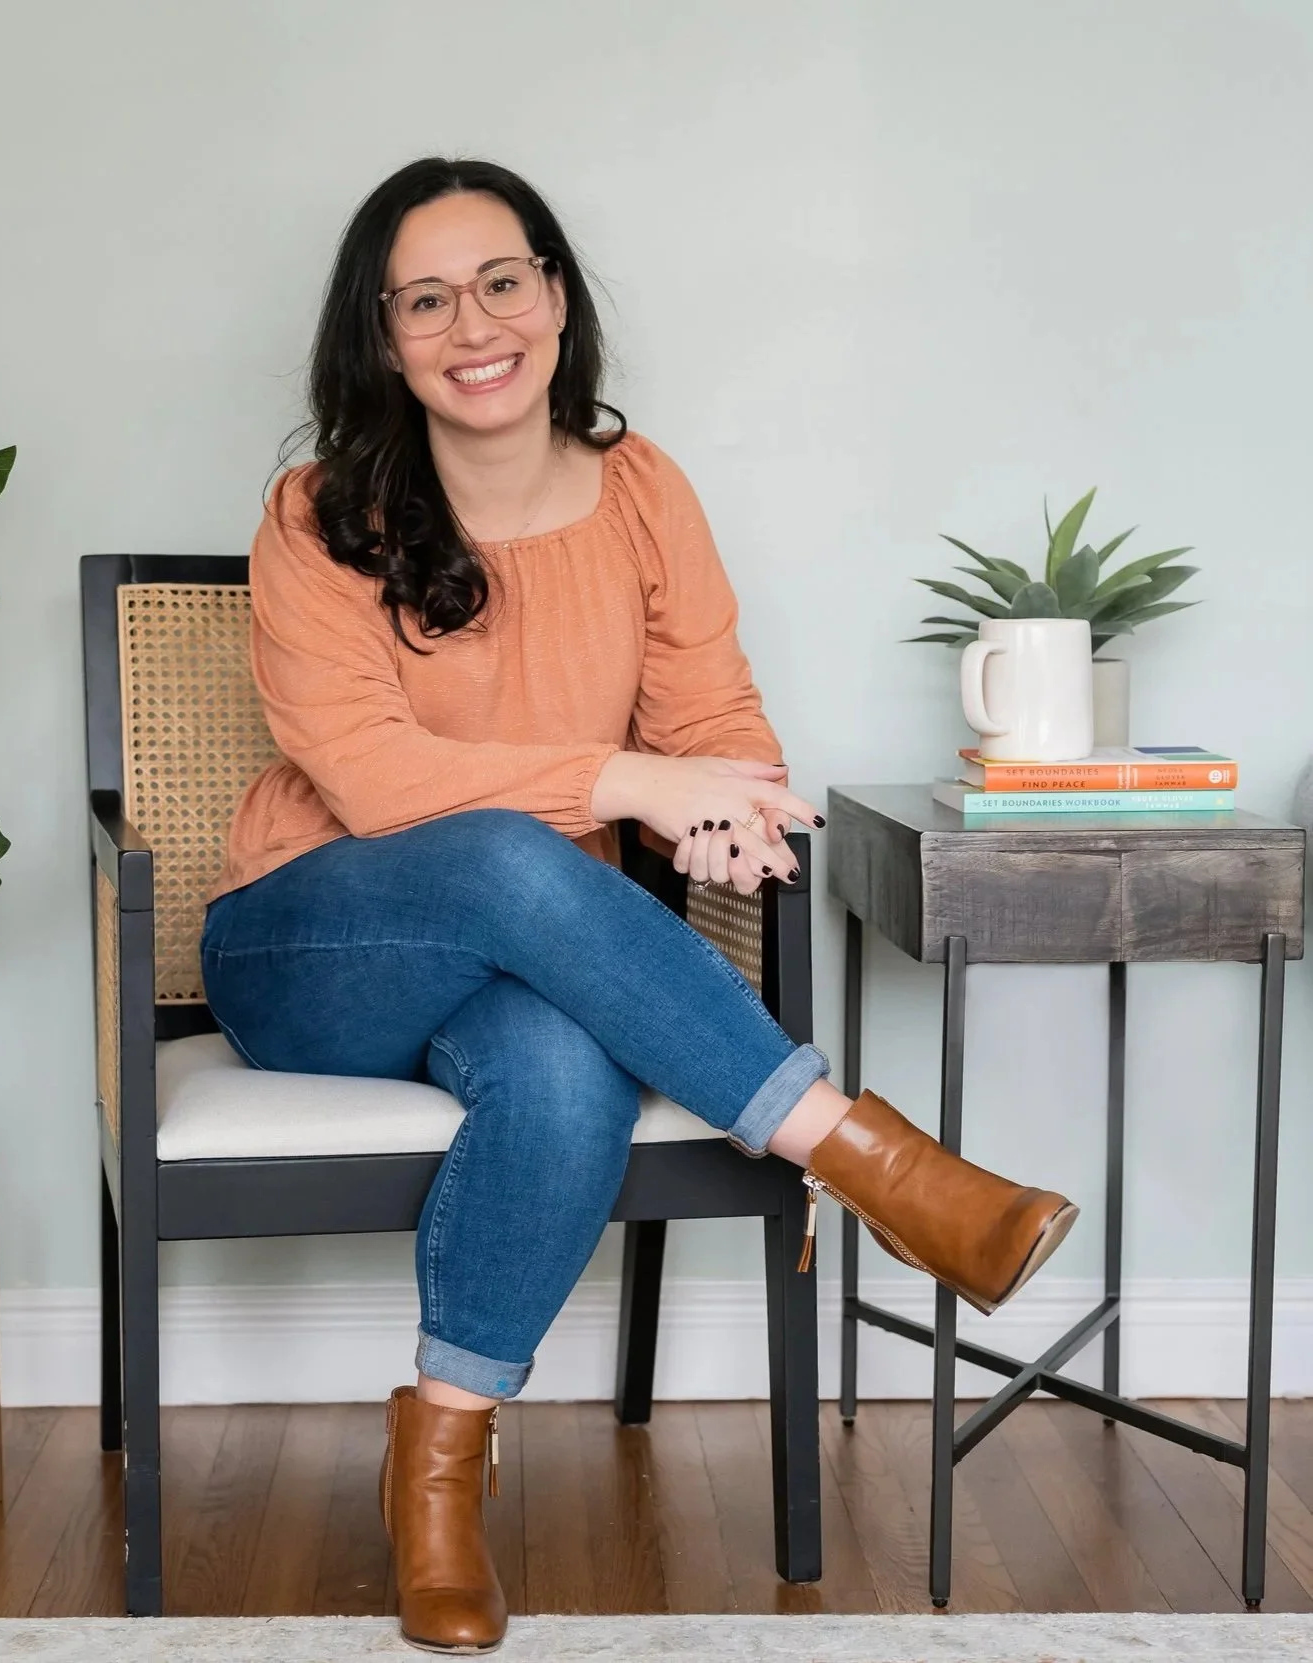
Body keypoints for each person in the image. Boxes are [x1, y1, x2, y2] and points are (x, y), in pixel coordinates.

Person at [200, 157, 1077, 1656]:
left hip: (537, 950)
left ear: (554, 294)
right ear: (382, 338)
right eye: (423, 298)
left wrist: (730, 810)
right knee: (493, 846)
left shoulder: (643, 489)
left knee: (562, 1061)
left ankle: (437, 1488)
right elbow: (372, 775)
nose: (472, 322)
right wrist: (622, 779)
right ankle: (864, 1156)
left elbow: (712, 716)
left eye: (501, 280)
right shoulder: (317, 513)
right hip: (312, 941)